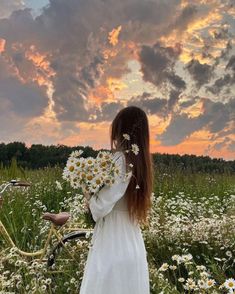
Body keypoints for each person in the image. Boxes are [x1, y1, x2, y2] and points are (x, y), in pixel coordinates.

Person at [79, 106, 154, 294]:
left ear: (121, 130)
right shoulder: (139, 162)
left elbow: (102, 206)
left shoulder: (121, 160)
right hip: (129, 237)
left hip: (114, 241)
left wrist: (89, 196)